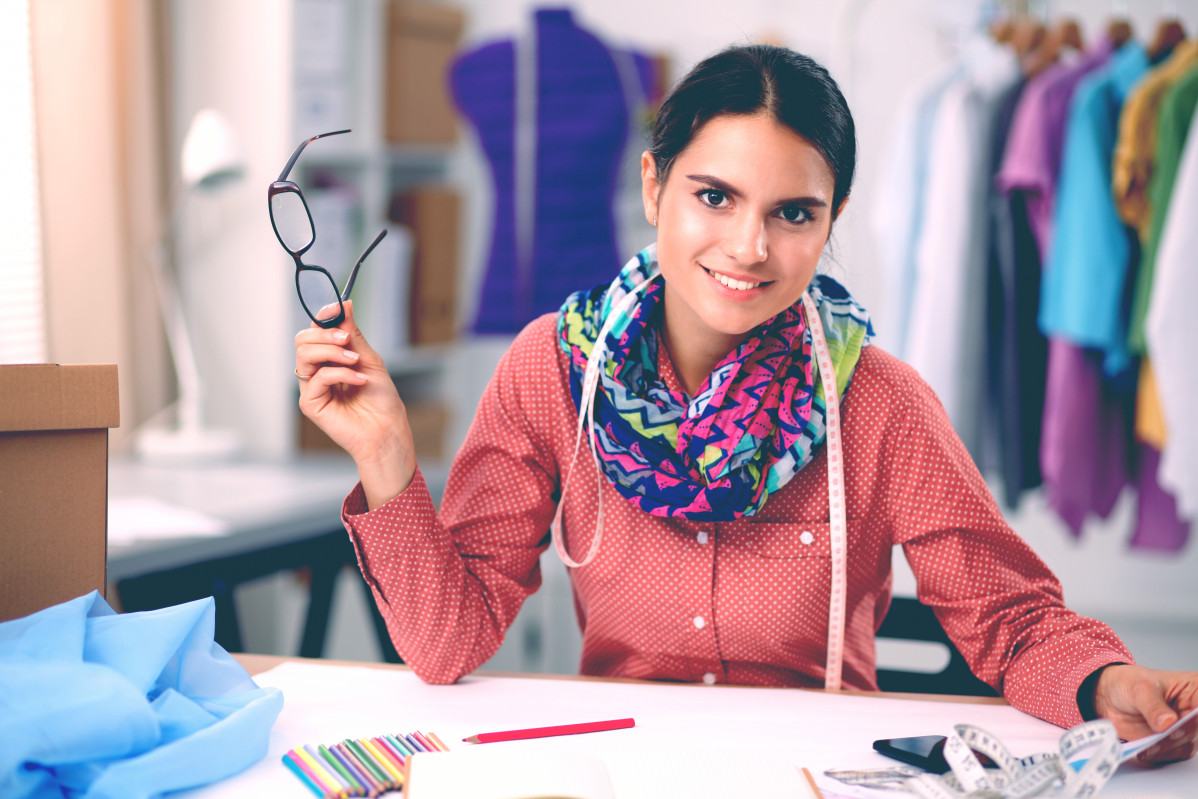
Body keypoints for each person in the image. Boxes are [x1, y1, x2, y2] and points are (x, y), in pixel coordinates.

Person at [293, 44, 1196, 763]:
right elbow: (446, 644)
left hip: (814, 775)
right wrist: (385, 458)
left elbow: (1011, 617)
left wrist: (1104, 679)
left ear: (831, 220)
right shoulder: (554, 371)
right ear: (654, 186)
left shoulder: (877, 400)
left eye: (793, 213)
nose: (749, 245)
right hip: (622, 769)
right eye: (714, 196)